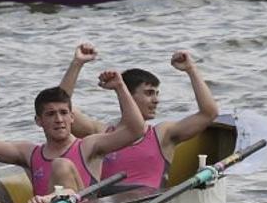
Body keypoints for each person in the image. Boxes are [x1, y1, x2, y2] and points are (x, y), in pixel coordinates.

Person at [0, 68, 144, 203]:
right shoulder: (29, 153)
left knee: (61, 164)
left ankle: (50, 201)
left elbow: (135, 130)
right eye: (50, 114)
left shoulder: (89, 146)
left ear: (72, 117)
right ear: (38, 121)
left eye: (64, 113)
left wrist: (120, 87)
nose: (59, 119)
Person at [60, 43, 219, 189]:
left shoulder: (163, 134)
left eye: (157, 94)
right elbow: (60, 108)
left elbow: (209, 113)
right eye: (149, 93)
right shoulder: (100, 133)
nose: (156, 100)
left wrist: (191, 69)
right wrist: (77, 64)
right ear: (127, 94)